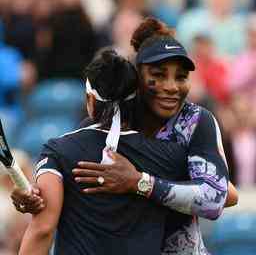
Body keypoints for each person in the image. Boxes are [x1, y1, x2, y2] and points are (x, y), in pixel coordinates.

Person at [14, 18, 237, 254]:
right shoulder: (102, 127)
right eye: (159, 75)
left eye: (181, 77)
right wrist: (36, 196)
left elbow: (220, 196)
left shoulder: (195, 121)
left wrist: (139, 182)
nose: (172, 86)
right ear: (136, 77)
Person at [18, 49, 199, 255]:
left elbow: (43, 229)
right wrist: (145, 182)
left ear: (90, 99)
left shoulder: (59, 151)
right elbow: (222, 194)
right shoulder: (168, 154)